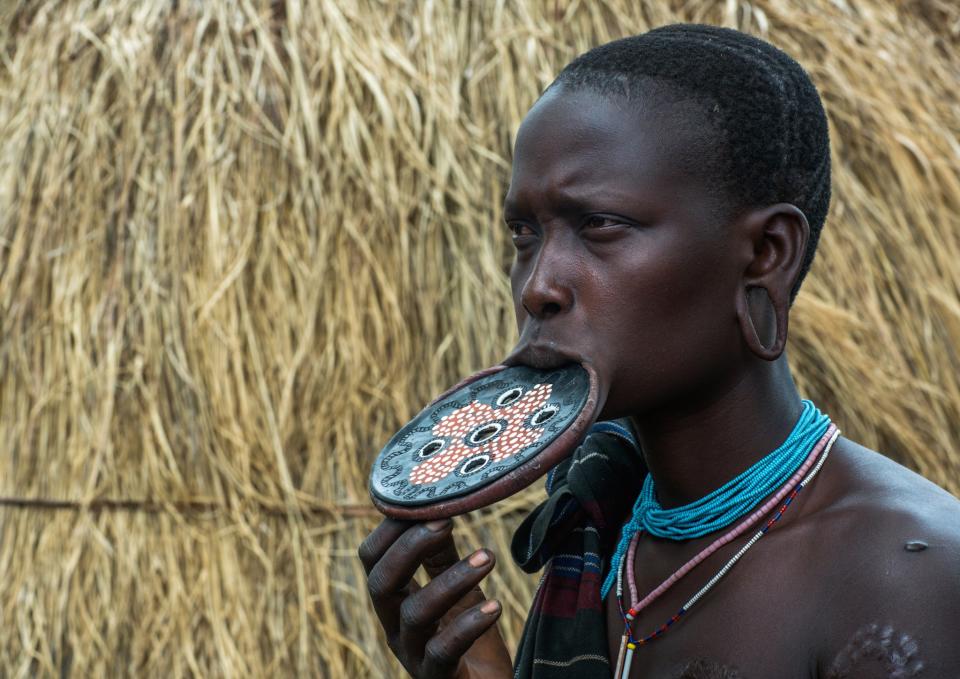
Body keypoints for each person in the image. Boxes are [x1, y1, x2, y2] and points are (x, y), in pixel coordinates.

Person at [358, 24, 960, 678]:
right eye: (525, 233)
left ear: (765, 254)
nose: (538, 287)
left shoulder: (905, 578)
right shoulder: (598, 537)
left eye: (599, 225)